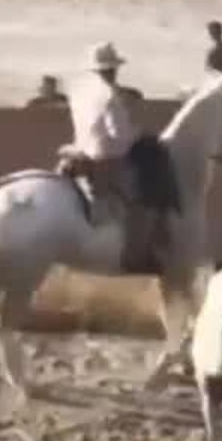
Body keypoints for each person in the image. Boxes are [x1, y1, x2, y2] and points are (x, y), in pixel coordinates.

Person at [62, 42, 171, 273]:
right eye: (113, 69)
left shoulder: (79, 91)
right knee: (147, 193)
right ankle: (140, 252)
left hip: (81, 149)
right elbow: (119, 134)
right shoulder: (110, 95)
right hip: (107, 158)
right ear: (112, 69)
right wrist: (140, 133)